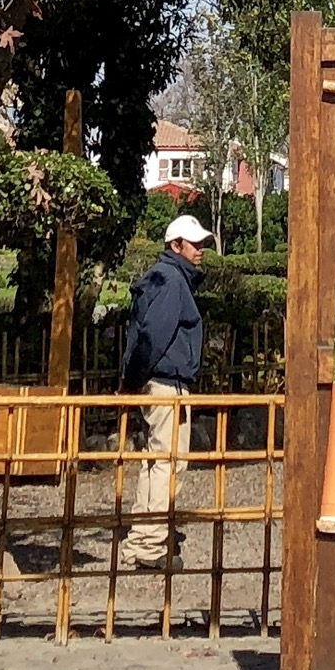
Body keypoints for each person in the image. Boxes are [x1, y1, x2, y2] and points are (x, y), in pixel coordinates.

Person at [117, 212, 212, 568]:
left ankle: (143, 539)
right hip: (167, 384)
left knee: (155, 462)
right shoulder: (172, 281)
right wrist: (132, 380)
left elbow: (142, 335)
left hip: (153, 383)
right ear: (176, 245)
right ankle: (151, 545)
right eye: (195, 244)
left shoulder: (160, 278)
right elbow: (154, 336)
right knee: (169, 464)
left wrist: (131, 380)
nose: (201, 249)